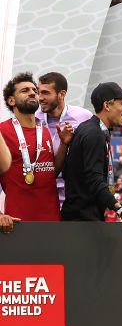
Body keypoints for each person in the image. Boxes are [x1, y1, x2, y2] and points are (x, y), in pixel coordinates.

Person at [61, 81, 122, 233]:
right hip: (83, 223)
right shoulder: (94, 134)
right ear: (107, 105)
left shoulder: (90, 129)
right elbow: (94, 180)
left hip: (81, 218)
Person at [0, 72, 72, 222]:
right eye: (25, 90)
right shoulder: (2, 131)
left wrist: (64, 144)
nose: (33, 93)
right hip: (17, 221)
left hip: (51, 220)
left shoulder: (44, 130)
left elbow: (51, 171)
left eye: (34, 90)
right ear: (11, 100)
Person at [35, 71, 93, 208]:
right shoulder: (33, 119)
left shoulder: (84, 117)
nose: (40, 98)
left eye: (45, 93)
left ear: (62, 94)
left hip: (74, 196)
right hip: (43, 195)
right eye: (39, 92)